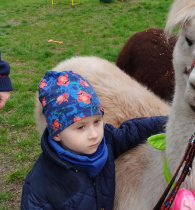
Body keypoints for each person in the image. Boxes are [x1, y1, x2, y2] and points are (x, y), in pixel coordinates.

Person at [21, 70, 167, 210]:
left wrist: (170, 121)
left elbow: (134, 130)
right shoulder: (40, 186)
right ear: (57, 134)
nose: (94, 134)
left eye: (97, 121)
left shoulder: (107, 141)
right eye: (80, 127)